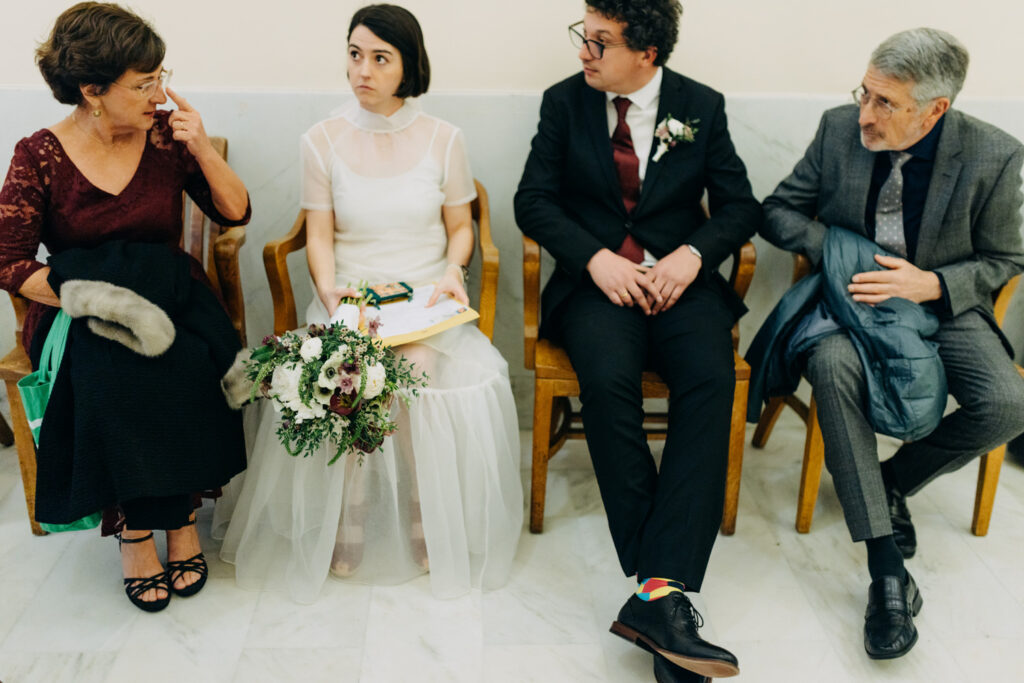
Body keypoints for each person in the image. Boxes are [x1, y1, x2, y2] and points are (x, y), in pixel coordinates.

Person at [217, 3, 522, 603]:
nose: (363, 70)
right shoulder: (320, 140)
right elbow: (321, 236)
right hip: (352, 291)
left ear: (408, 67)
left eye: (380, 58)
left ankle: (418, 501)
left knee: (414, 375)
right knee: (350, 374)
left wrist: (454, 273)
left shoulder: (444, 139)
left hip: (425, 292)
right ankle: (351, 503)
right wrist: (331, 292)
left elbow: (461, 226)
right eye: (355, 54)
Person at [760, 28, 1024, 659]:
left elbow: (1005, 256)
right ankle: (886, 572)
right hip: (853, 305)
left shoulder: (995, 154)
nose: (865, 116)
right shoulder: (836, 130)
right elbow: (777, 210)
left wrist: (932, 282)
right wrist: (843, 254)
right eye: (864, 94)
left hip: (944, 306)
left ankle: (888, 481)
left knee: (1009, 405)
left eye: (885, 104)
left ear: (936, 109)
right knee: (829, 362)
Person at [514, 1, 759, 680]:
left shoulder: (699, 106)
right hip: (598, 287)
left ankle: (657, 592)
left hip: (680, 285)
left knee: (710, 376)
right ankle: (666, 593)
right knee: (609, 380)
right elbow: (532, 200)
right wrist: (595, 258)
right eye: (583, 36)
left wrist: (690, 255)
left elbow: (741, 207)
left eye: (600, 41)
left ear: (647, 52)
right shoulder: (563, 103)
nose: (584, 52)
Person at [0, 2, 251, 612]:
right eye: (143, 84)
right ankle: (141, 531)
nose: (158, 94)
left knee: (188, 361)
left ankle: (181, 516)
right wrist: (87, 296)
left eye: (161, 76)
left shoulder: (166, 137)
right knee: (112, 375)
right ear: (92, 91)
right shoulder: (40, 155)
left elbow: (235, 212)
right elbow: (7, 258)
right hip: (82, 307)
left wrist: (205, 149)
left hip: (171, 294)